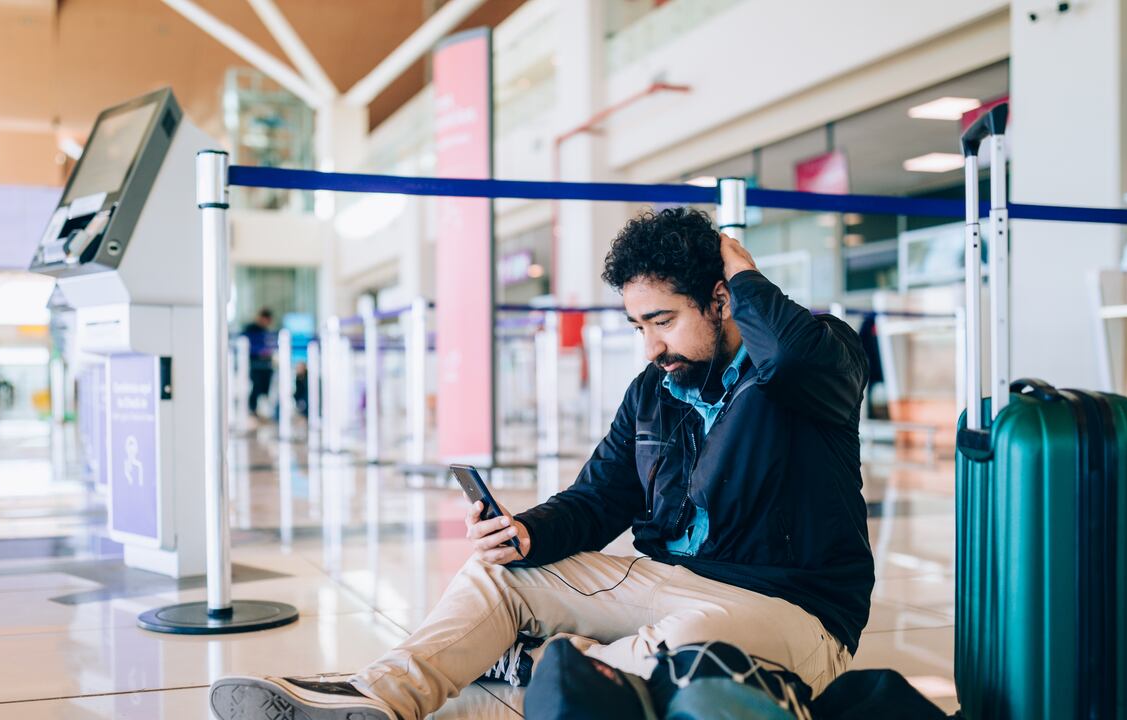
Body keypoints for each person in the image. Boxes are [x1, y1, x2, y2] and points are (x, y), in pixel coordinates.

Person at [209, 208, 873, 720]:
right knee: (501, 576)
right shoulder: (653, 392)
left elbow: (789, 356)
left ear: (723, 299)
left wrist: (744, 270)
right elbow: (600, 497)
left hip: (792, 614)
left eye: (663, 320)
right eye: (639, 325)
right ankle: (377, 697)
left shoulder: (817, 359)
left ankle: (565, 671)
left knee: (690, 637)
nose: (650, 346)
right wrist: (530, 532)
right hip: (668, 581)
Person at [241, 308, 276, 418]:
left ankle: (262, 410)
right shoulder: (250, 329)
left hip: (266, 365)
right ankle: (253, 409)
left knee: (265, 387)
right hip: (254, 363)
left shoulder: (265, 331)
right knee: (256, 386)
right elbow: (247, 345)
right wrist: (260, 351)